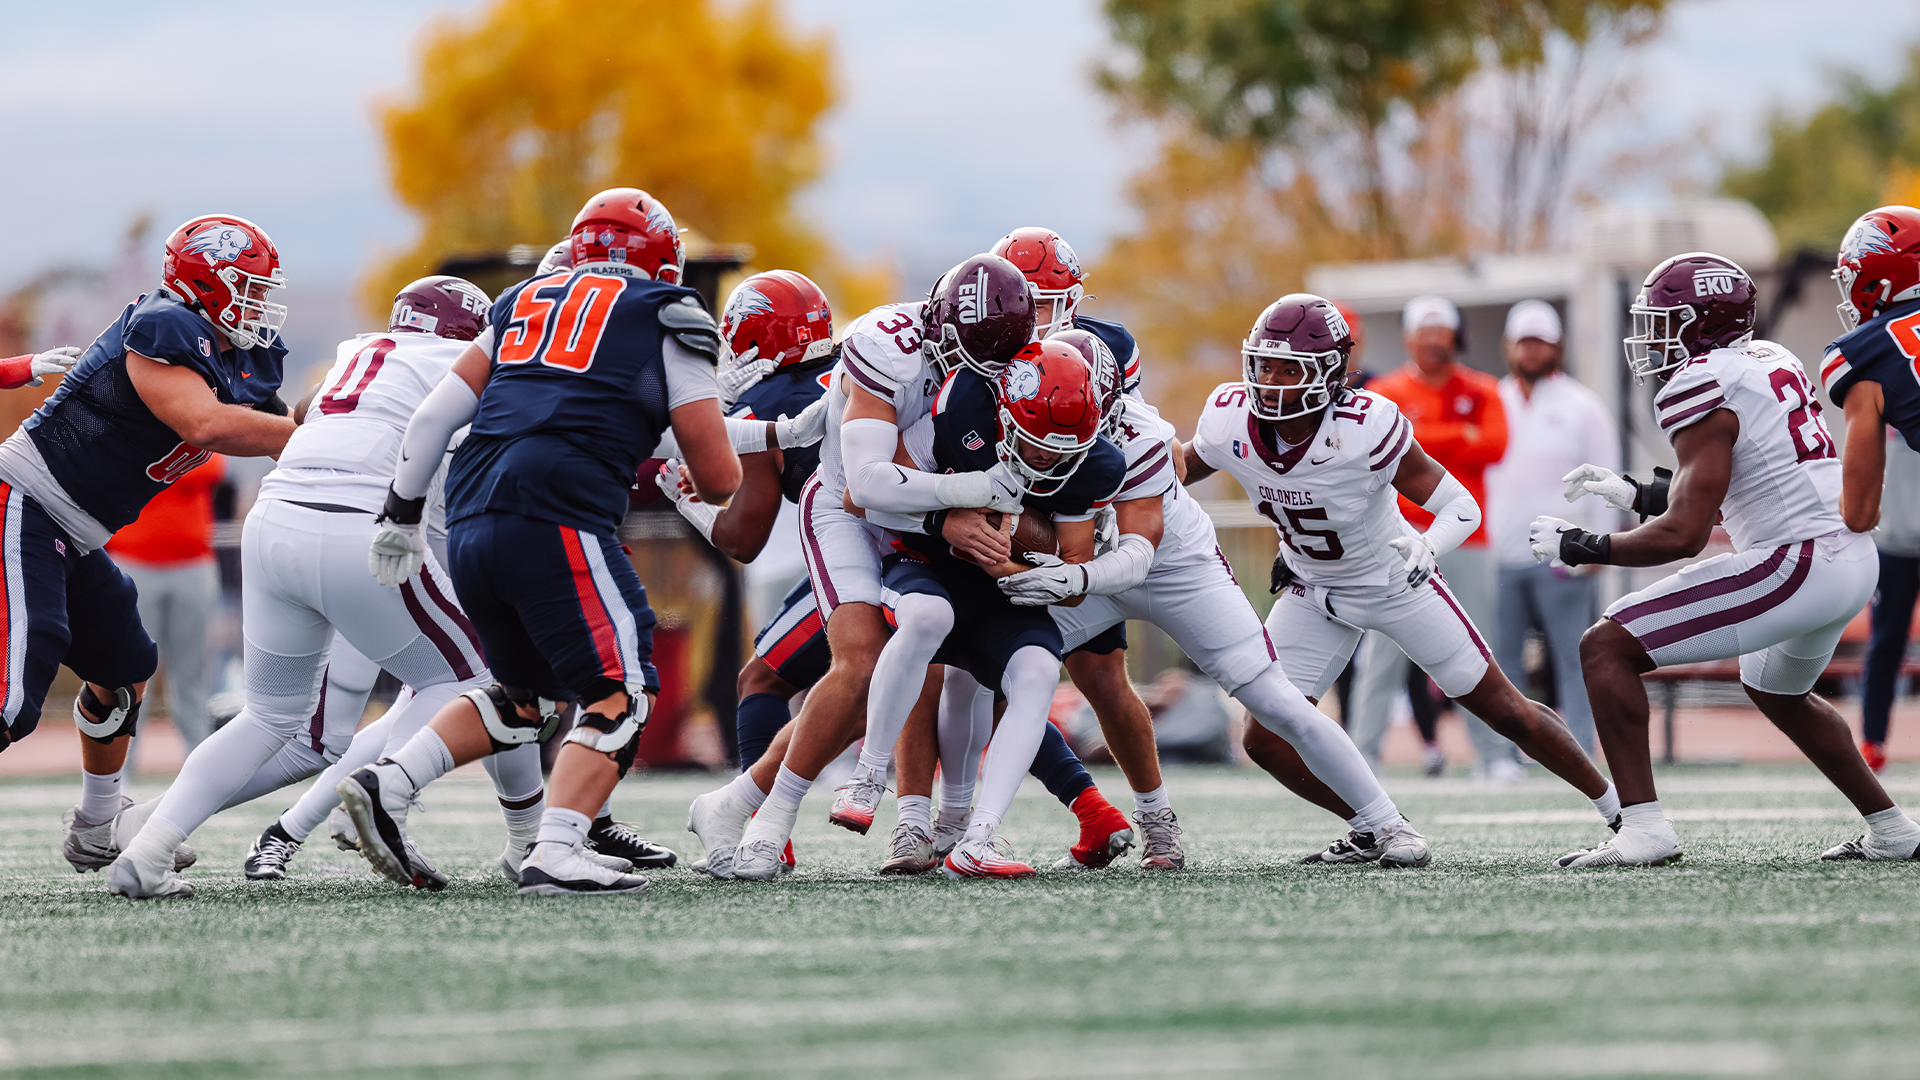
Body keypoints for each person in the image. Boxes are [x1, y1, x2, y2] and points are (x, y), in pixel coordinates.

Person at [335, 187, 741, 897]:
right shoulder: (666, 311)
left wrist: (400, 517)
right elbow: (718, 475)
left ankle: (389, 784)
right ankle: (555, 850)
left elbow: (432, 419)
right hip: (558, 510)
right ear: (660, 259)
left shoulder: (521, 301)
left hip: (471, 515)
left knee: (527, 699)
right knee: (622, 691)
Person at [106, 275, 542, 898]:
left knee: (267, 717)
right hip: (361, 529)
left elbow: (305, 411)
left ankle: (147, 850)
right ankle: (391, 794)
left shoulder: (357, 352)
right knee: (484, 682)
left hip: (274, 521)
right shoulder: (466, 361)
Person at [1186, 293, 1616, 864]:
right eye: (1263, 366)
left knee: (1505, 710)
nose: (1270, 382)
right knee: (1263, 737)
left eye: (1289, 369)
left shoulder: (1366, 425)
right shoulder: (1229, 418)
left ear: (1330, 372)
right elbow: (1170, 471)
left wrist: (1427, 545)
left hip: (1394, 582)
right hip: (1312, 589)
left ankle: (1622, 811)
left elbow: (1461, 506)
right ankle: (1377, 827)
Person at [1544, 251, 1918, 866]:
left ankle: (1644, 830)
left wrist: (1584, 545)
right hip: (1850, 560)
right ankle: (1894, 830)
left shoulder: (1700, 381)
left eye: (1666, 322)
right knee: (1776, 689)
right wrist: (1638, 493)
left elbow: (1684, 534)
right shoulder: (1769, 358)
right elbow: (1749, 483)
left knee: (1605, 647)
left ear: (1702, 323)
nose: (1653, 338)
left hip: (1797, 563)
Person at [704, 254, 1034, 883]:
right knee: (858, 663)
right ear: (939, 325)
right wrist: (968, 496)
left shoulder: (1008, 364)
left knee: (940, 656)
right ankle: (772, 823)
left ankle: (914, 814)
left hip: (922, 517)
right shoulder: (887, 345)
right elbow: (865, 486)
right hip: (845, 511)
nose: (982, 373)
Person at [1, 215, 295, 887]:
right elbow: (205, 423)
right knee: (13, 701)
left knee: (124, 666)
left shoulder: (240, 353)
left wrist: (350, 420)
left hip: (73, 531)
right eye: (247, 288)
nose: (258, 304)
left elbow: (280, 422)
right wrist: (305, 436)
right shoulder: (163, 326)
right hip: (22, 501)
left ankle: (99, 823)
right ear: (206, 283)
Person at [880, 339, 1123, 877]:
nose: (1048, 459)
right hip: (926, 565)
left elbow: (1074, 581)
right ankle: (871, 792)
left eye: (1064, 449)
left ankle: (977, 838)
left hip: (1000, 597)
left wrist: (1009, 563)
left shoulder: (1097, 463)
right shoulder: (962, 406)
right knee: (910, 652)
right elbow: (870, 495)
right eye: (1037, 443)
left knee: (1037, 672)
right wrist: (945, 519)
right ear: (1005, 413)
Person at [1349, 295, 1517, 778]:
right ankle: (1360, 756)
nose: (1433, 343)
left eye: (1441, 333)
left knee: (1477, 646)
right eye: (1425, 334)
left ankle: (1494, 754)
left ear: (1455, 336)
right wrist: (1458, 435)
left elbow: (1494, 444)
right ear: (1408, 339)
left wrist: (1420, 434)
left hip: (1466, 532)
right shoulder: (1385, 390)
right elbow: (1376, 450)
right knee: (1382, 651)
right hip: (1399, 530)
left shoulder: (1483, 389)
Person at [1484, 299, 1618, 755]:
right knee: (1500, 663)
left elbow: (1605, 476)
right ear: (1509, 346)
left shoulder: (1583, 405)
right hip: (1500, 552)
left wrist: (1600, 544)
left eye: (1540, 342)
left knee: (1574, 657)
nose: (1532, 350)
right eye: (1524, 342)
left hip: (1565, 553)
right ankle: (1505, 756)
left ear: (1557, 347)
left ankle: (1581, 749)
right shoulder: (1491, 401)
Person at [1816, 204, 1920, 770]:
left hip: (1897, 534)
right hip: (1906, 535)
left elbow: (1857, 513)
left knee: (1886, 640)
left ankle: (1872, 747)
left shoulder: (1865, 353)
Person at [107, 453, 224, 752]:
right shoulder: (132, 430)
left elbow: (212, 467)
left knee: (193, 672)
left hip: (193, 562)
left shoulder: (197, 429)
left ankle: (202, 764)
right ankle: (117, 770)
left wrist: (154, 465)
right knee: (127, 673)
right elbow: (120, 467)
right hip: (133, 561)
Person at [1858, 435, 1920, 772]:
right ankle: (1873, 742)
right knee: (1885, 644)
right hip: (1894, 545)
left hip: (1894, 541)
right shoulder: (1890, 405)